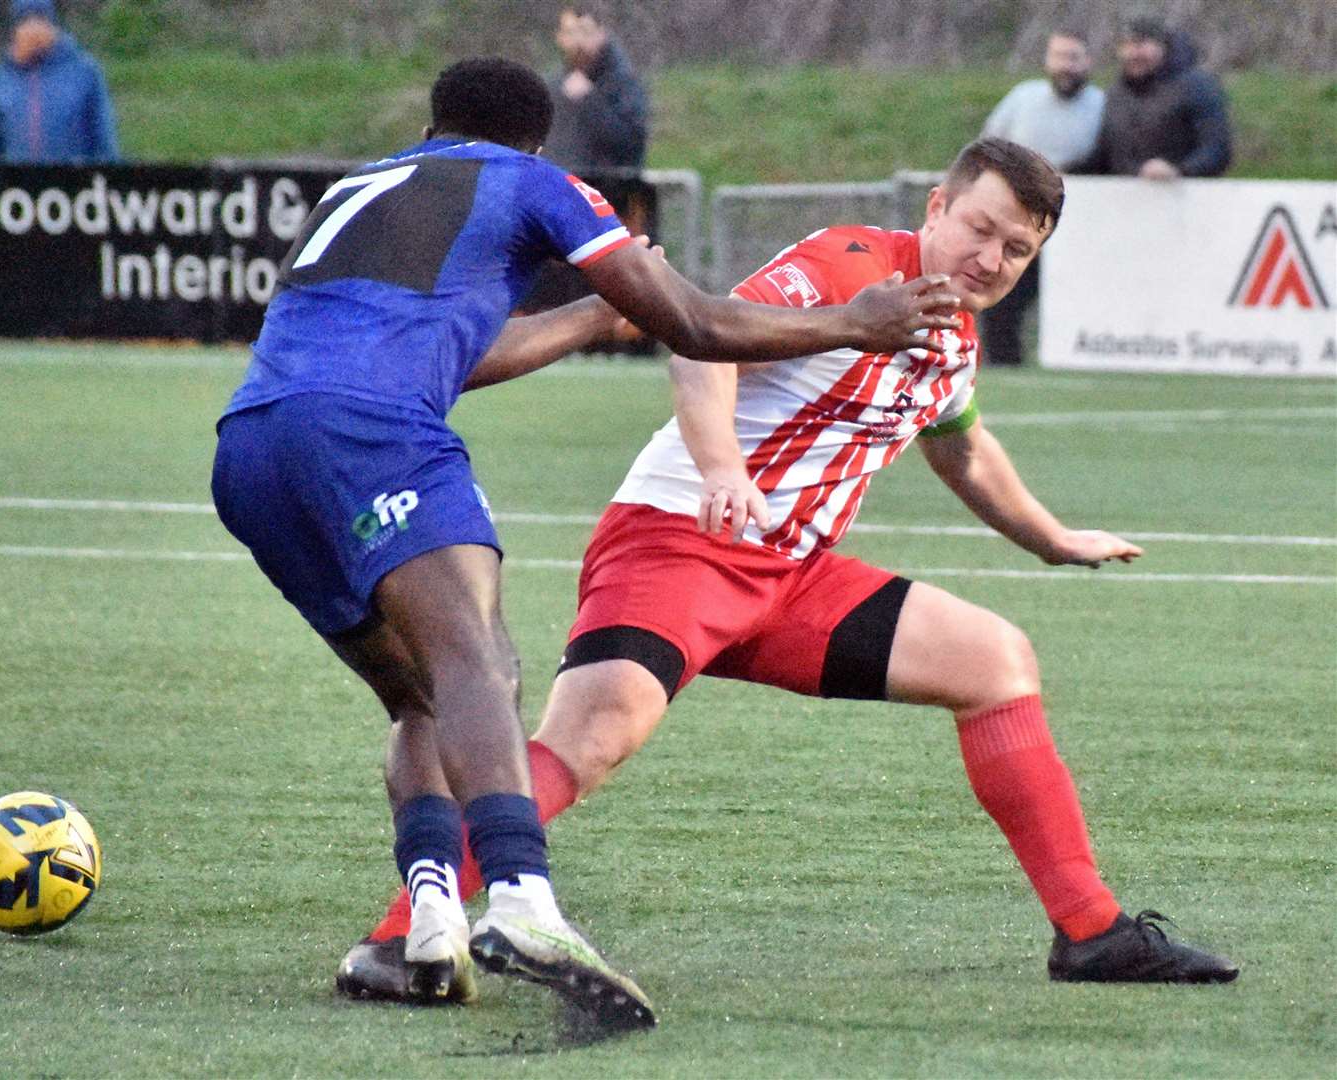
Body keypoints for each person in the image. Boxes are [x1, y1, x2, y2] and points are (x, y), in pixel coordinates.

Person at [340, 137, 1240, 1003]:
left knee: (996, 661)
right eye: (979, 228)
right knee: (592, 738)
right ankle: (398, 933)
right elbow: (701, 344)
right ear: (937, 207)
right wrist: (724, 467)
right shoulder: (852, 263)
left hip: (791, 575)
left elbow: (962, 450)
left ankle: (1090, 930)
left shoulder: (952, 337)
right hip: (678, 540)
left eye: (1017, 248)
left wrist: (1051, 538)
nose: (991, 257)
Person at [212, 57, 959, 1032]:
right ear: (534, 138)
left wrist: (594, 312)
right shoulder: (531, 181)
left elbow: (456, 355)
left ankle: (429, 925)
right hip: (373, 431)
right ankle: (521, 902)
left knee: (418, 696)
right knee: (479, 660)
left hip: (253, 449)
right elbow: (691, 321)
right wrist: (846, 323)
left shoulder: (364, 186)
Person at [977, 27, 1103, 366]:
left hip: (1081, 228)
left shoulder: (1102, 107)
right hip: (1019, 221)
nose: (1066, 65)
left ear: (1088, 62)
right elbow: (988, 147)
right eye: (1059, 56)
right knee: (1005, 299)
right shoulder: (1023, 99)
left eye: (1073, 58)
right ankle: (1005, 365)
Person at [1077, 14, 1231, 180]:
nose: (1132, 53)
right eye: (1126, 45)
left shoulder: (1198, 86)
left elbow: (1217, 150)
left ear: (1162, 45)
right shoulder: (1116, 94)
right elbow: (1104, 156)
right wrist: (1065, 174)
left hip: (1185, 197)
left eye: (1140, 44)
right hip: (1125, 198)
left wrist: (1178, 170)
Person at [0, 0, 119, 164]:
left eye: (40, 19)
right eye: (25, 21)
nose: (33, 29)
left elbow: (103, 137)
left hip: (74, 182)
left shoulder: (84, 72)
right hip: (15, 184)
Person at [544, 2, 648, 174]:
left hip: (610, 190)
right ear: (560, 38)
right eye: (571, 33)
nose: (578, 41)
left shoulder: (624, 82)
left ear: (601, 34)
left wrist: (590, 101)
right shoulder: (553, 86)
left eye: (585, 32)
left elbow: (632, 146)